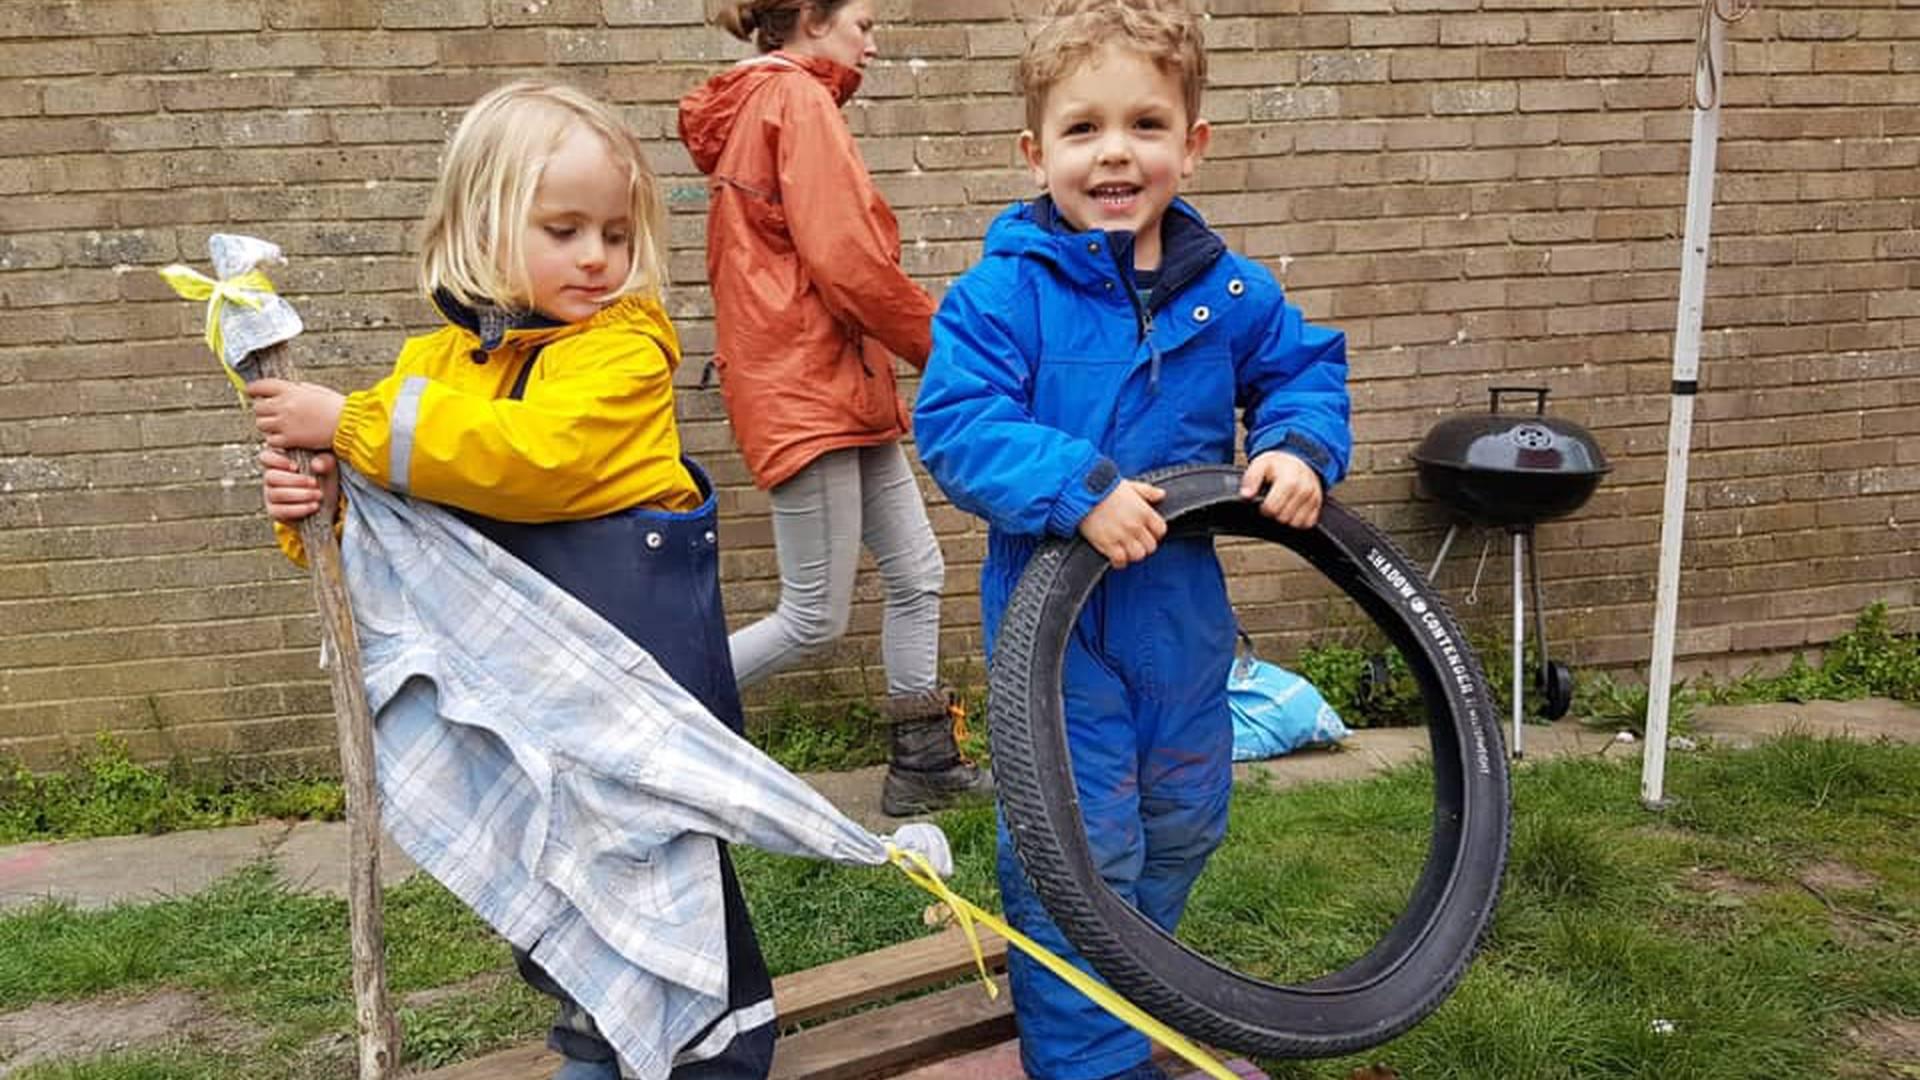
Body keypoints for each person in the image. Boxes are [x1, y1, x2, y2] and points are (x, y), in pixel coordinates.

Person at [248, 80, 777, 1080]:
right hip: (519, 705)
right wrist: (319, 504)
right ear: (480, 228)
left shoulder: (623, 354)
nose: (597, 257)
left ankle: (720, 1050)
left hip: (632, 694)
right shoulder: (434, 369)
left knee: (668, 887)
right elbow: (399, 536)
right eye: (563, 228)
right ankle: (594, 1040)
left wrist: (354, 425)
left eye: (615, 233)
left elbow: (536, 459)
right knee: (552, 881)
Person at [912, 2, 1353, 1078]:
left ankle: (1134, 996)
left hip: (1181, 624)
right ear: (1036, 151)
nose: (1116, 152)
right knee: (1077, 850)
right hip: (1056, 639)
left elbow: (1303, 370)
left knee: (1185, 821)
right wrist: (1077, 486)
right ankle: (1090, 1061)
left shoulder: (1233, 294)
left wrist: (1298, 446)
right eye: (1083, 129)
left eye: (1146, 124)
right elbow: (956, 424)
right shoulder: (1000, 298)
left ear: (1193, 144)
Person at [677, 0, 991, 817]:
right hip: (807, 389)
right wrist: (953, 355)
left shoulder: (764, 105)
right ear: (812, 18)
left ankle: (920, 763)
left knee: (919, 572)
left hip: (836, 383)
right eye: (864, 21)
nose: (874, 42)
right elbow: (848, 260)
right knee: (812, 618)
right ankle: (647, 712)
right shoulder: (794, 100)